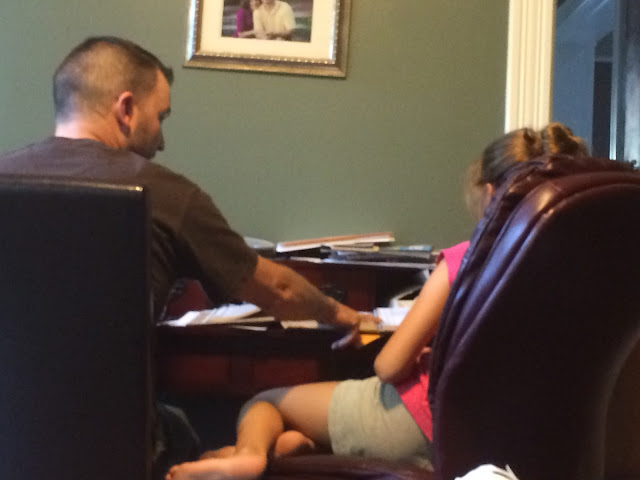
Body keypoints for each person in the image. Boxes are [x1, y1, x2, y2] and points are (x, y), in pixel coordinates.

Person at [0, 36, 376, 479]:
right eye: (159, 118)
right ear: (126, 108)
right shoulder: (166, 193)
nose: (161, 140)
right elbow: (278, 290)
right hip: (113, 444)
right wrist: (340, 314)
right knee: (186, 428)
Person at [165, 122, 588, 480]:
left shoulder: (464, 261)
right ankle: (291, 449)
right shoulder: (578, 276)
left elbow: (388, 367)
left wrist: (416, 350)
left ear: (492, 192)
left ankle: (249, 456)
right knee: (303, 432)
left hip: (416, 422)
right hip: (498, 439)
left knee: (266, 403)